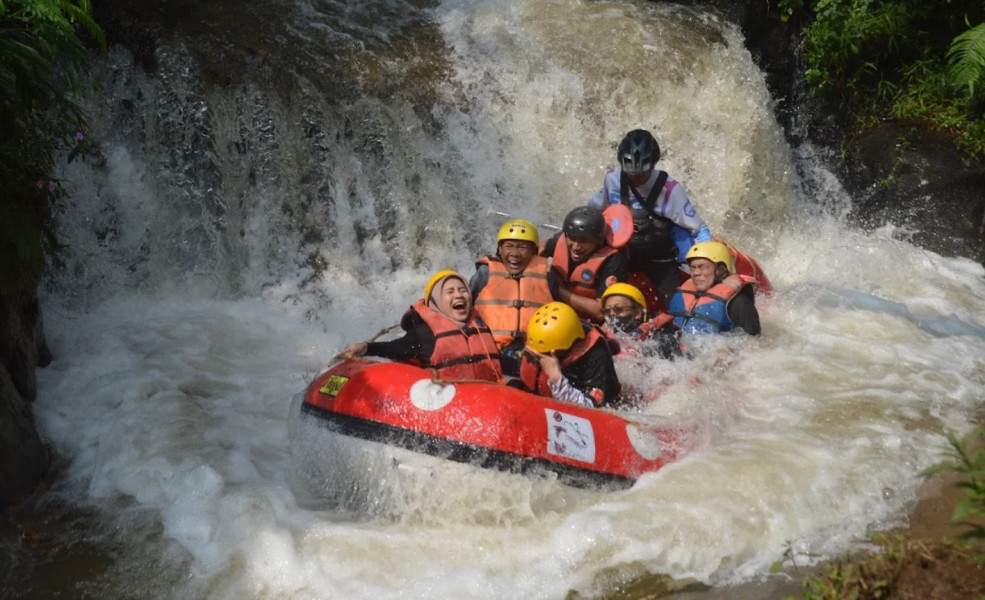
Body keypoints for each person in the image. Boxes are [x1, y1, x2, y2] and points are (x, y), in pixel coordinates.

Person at [588, 129, 713, 308]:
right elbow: (592, 212)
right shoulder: (612, 179)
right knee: (610, 272)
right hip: (622, 254)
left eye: (641, 174)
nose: (636, 178)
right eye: (631, 173)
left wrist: (708, 261)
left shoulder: (670, 190)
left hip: (659, 257)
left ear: (653, 165)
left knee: (677, 307)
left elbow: (699, 229)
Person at [339, 270, 504, 382]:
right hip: (449, 399)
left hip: (486, 395)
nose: (458, 294)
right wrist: (367, 347)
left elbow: (494, 358)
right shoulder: (424, 332)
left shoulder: (478, 326)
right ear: (435, 302)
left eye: (462, 290)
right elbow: (395, 348)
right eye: (450, 292)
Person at [470, 219, 561, 376]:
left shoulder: (548, 280)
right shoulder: (484, 275)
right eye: (509, 246)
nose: (514, 254)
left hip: (531, 356)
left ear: (534, 252)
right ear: (499, 249)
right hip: (490, 353)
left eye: (522, 247)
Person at [512, 302, 621, 408]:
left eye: (549, 353)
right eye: (541, 353)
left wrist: (557, 379)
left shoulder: (596, 355)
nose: (544, 357)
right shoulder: (536, 345)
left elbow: (590, 410)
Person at [541, 206, 628, 324]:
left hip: (589, 323)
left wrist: (556, 289)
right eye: (572, 238)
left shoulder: (614, 260)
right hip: (554, 313)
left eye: (584, 241)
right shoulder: (560, 241)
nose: (576, 247)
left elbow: (602, 313)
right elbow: (535, 250)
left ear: (598, 240)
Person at [667, 241, 761, 335]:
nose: (695, 273)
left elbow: (754, 344)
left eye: (702, 267)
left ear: (720, 270)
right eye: (693, 268)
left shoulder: (740, 304)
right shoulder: (682, 295)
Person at [600, 282, 683, 360]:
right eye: (606, 311)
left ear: (637, 312)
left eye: (618, 309)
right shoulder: (603, 338)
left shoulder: (661, 336)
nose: (611, 315)